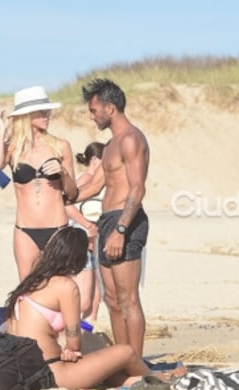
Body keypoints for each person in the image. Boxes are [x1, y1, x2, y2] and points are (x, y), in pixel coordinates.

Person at [3, 226, 174, 390]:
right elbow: (74, 343)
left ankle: (138, 380)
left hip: (21, 371)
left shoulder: (30, 284)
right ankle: (154, 380)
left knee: (109, 370)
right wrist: (71, 349)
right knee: (126, 352)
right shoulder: (65, 286)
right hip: (51, 373)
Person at [77, 78, 150, 357]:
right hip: (108, 221)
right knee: (111, 300)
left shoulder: (131, 139)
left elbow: (137, 188)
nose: (91, 115)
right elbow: (95, 186)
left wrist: (120, 229)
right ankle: (122, 360)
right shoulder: (110, 144)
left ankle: (137, 365)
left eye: (94, 110)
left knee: (128, 298)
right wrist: (61, 197)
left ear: (110, 107)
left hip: (125, 221)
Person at [0, 86, 78, 280]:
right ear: (26, 115)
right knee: (26, 293)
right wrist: (2, 131)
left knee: (61, 289)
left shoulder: (61, 146)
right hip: (25, 231)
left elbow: (72, 194)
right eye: (41, 111)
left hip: (58, 229)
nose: (47, 114)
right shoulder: (12, 148)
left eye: (47, 110)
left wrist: (62, 173)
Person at [66, 142, 106, 324]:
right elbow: (66, 204)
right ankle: (64, 330)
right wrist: (87, 225)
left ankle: (87, 336)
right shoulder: (86, 178)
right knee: (84, 302)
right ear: (96, 160)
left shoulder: (97, 180)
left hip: (93, 245)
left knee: (96, 299)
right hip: (80, 243)